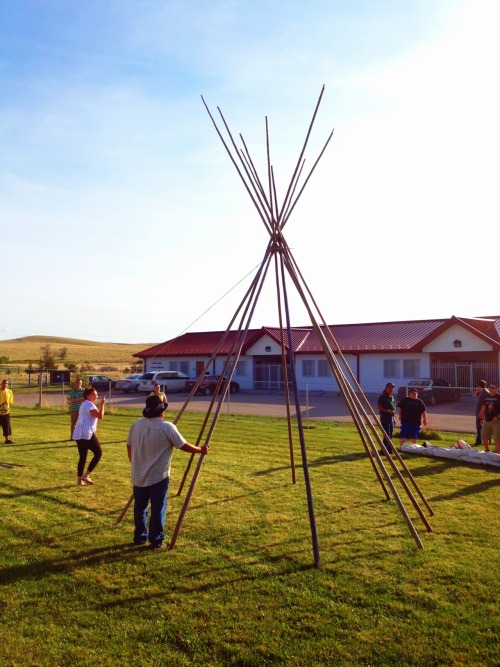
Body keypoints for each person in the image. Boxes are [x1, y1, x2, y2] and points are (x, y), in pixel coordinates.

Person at [127, 395, 209, 549]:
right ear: (161, 412)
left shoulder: (136, 425)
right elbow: (182, 445)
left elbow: (129, 446)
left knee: (140, 507)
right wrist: (200, 450)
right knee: (158, 508)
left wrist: (136, 462)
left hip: (138, 475)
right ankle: (156, 539)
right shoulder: (167, 427)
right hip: (159, 476)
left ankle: (140, 536)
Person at [73, 386, 106, 486]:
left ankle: (79, 480)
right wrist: (103, 405)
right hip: (85, 433)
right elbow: (100, 416)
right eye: (93, 394)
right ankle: (86, 475)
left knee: (83, 457)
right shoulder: (89, 404)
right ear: (87, 396)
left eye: (96, 394)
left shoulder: (85, 404)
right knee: (98, 453)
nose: (96, 396)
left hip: (80, 433)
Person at [478, 383, 500, 454]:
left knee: (497, 437)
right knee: (484, 435)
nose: (491, 389)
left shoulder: (499, 397)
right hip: (487, 420)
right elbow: (483, 408)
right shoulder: (486, 397)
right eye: (490, 387)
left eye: (493, 388)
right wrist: (481, 418)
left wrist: (497, 417)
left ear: (497, 389)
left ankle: (497, 452)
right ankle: (487, 450)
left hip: (496, 421)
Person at [377, 382, 396, 454]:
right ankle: (383, 450)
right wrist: (388, 411)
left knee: (390, 434)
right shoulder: (383, 396)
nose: (391, 389)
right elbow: (379, 407)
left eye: (392, 388)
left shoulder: (392, 397)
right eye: (389, 387)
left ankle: (389, 449)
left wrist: (393, 418)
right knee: (387, 434)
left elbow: (393, 408)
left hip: (391, 417)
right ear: (386, 388)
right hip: (385, 417)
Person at [472, 380, 489, 446]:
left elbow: (485, 404)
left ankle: (479, 440)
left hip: (481, 413)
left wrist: (482, 413)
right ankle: (484, 440)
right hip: (479, 412)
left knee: (479, 427)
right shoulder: (481, 392)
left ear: (479, 386)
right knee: (480, 427)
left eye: (478, 386)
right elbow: (475, 395)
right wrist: (477, 390)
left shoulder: (485, 393)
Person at [0, 379, 14, 444]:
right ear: (1, 384)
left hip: (6, 412)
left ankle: (7, 439)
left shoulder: (9, 392)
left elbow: (10, 401)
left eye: (7, 383)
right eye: (4, 383)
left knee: (6, 426)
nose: (5, 384)